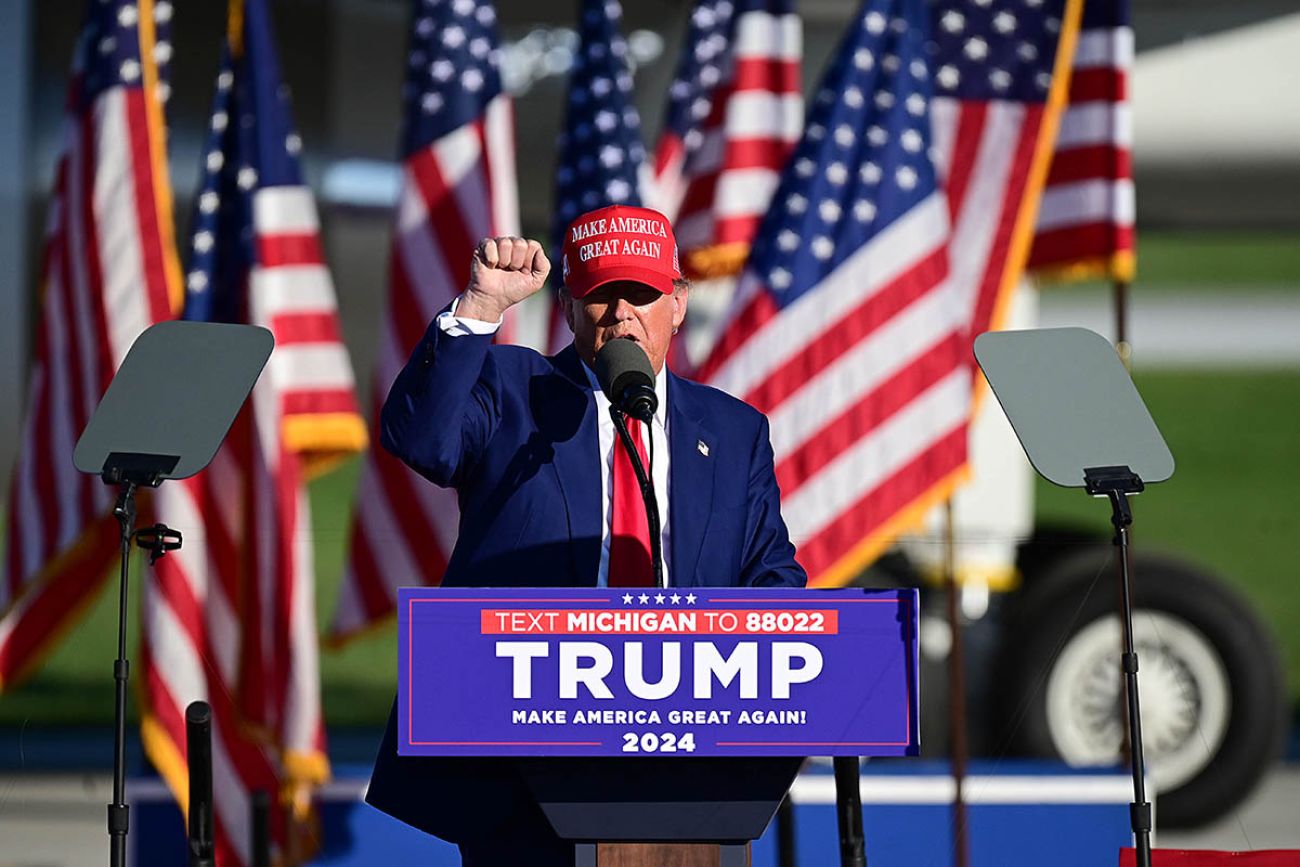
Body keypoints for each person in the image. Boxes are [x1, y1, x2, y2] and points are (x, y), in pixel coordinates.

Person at [365, 205, 807, 866]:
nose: (621, 313)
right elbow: (421, 438)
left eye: (643, 294)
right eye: (601, 295)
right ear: (570, 309)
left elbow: (771, 577)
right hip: (522, 774)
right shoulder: (513, 389)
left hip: (691, 777)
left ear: (678, 304)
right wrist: (481, 305)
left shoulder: (735, 430)